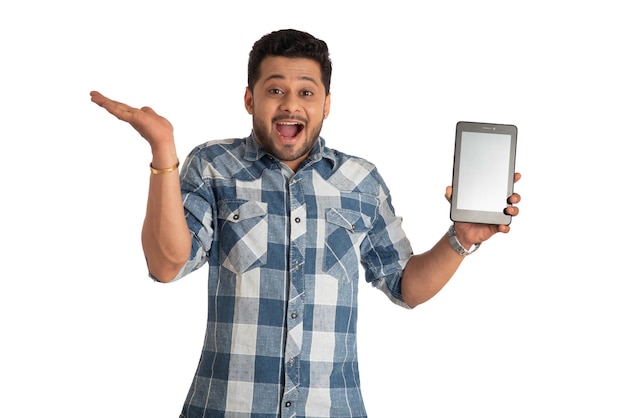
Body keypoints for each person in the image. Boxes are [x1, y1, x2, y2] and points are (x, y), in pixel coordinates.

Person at [91, 29, 521, 418]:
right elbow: (166, 264)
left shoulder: (361, 181)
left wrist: (461, 238)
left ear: (326, 104)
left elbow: (406, 286)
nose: (290, 104)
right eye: (275, 89)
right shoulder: (213, 166)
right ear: (250, 99)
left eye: (306, 92)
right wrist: (163, 150)